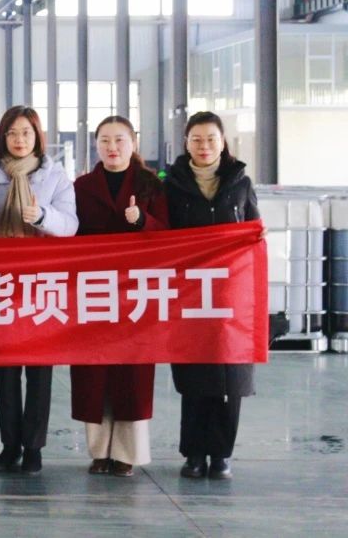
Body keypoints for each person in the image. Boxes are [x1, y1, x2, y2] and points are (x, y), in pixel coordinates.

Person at [164, 111, 260, 481]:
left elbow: (253, 229)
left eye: (211, 139)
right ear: (186, 143)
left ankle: (221, 454)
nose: (204, 146)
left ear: (223, 143)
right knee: (195, 376)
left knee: (229, 377)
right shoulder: (172, 185)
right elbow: (161, 234)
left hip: (230, 295)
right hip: (189, 294)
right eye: (197, 139)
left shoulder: (240, 183)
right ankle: (194, 453)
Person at [71, 115, 167, 478]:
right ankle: (99, 452)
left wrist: (142, 221)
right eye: (105, 141)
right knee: (94, 371)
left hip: (137, 292)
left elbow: (168, 233)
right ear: (96, 145)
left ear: (133, 143)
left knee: (132, 372)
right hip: (93, 291)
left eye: (119, 140)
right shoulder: (82, 186)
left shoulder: (150, 184)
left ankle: (127, 453)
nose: (112, 148)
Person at [0, 106, 78, 475]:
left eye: (25, 132)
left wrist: (41, 217)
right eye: (12, 133)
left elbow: (70, 225)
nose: (19, 139)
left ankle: (34, 446)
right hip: (3, 284)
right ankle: (10, 445)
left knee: (40, 369)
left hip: (42, 284)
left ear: (37, 137)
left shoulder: (56, 177)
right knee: (5, 369)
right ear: (3, 138)